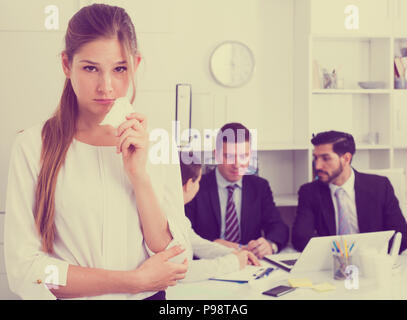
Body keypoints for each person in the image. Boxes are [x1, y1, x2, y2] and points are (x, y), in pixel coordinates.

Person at [4, 4, 188, 300]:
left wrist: (139, 176)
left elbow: (173, 256)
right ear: (66, 64)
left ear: (136, 64)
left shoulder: (158, 144)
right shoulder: (31, 146)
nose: (106, 86)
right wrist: (133, 281)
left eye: (119, 69)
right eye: (90, 68)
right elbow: (27, 270)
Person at [185, 123, 289, 259]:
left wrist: (269, 245)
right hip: (210, 263)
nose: (237, 164)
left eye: (243, 156)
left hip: (249, 264)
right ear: (216, 155)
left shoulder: (259, 187)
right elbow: (186, 235)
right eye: (229, 156)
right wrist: (213, 246)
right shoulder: (196, 186)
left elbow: (279, 227)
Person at [292, 130, 407, 253]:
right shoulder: (309, 192)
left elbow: (401, 237)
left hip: (371, 261)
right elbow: (300, 239)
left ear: (346, 158)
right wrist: (341, 255)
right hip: (332, 263)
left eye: (326, 158)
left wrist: (363, 255)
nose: (318, 166)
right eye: (316, 158)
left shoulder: (380, 186)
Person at [178, 154, 259, 282]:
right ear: (189, 185)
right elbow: (180, 271)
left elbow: (199, 244)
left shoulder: (177, 216)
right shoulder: (165, 218)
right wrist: (234, 262)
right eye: (198, 182)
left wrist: (235, 253)